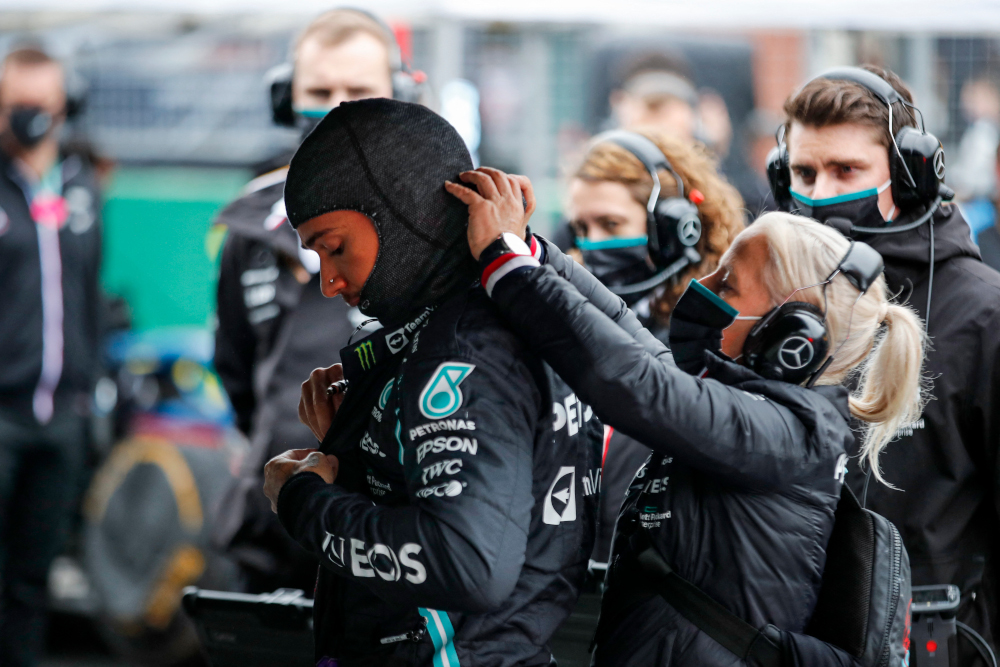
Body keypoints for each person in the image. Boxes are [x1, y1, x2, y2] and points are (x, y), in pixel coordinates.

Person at [451, 167, 926, 665]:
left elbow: (633, 382)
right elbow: (626, 333)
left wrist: (503, 263)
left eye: (728, 285)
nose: (704, 286)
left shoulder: (788, 434)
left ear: (791, 338)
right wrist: (532, 250)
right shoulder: (755, 413)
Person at [262, 98, 618, 666]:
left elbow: (466, 566)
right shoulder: (504, 311)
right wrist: (358, 440)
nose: (328, 281)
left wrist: (304, 502)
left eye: (333, 247)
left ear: (398, 212)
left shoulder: (463, 348)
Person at [777, 65, 1000, 663]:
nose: (820, 194)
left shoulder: (983, 316)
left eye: (845, 170)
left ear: (911, 174)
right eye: (803, 172)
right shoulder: (771, 304)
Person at [212, 7, 414, 593]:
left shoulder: (443, 222)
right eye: (320, 90)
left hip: (395, 540)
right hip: (273, 530)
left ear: (398, 95)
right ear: (286, 98)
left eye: (359, 90)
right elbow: (237, 369)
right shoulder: (251, 224)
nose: (337, 106)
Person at [564, 128, 744, 571]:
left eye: (611, 225)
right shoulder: (563, 317)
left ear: (674, 228)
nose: (592, 243)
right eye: (582, 228)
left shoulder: (718, 335)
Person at [0, 46, 103, 666]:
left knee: (32, 578)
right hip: (1, 416)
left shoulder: (82, 186)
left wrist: (91, 393)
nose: (31, 117)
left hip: (64, 416)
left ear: (67, 106)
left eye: (42, 104)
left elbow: (91, 294)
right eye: (17, 105)